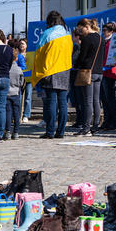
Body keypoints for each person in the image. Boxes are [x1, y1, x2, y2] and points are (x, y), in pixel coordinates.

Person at [35, 11, 72, 139]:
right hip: (65, 70)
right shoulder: (68, 35)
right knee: (63, 103)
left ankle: (50, 131)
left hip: (50, 71)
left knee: (51, 103)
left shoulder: (47, 34)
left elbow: (39, 54)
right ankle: (61, 132)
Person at [73, 18, 104, 136]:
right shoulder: (101, 38)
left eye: (81, 29)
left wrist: (75, 65)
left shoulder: (87, 39)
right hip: (99, 72)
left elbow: (82, 56)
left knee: (87, 101)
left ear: (86, 26)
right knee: (96, 101)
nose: (80, 32)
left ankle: (86, 128)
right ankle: (95, 126)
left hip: (88, 71)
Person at [99, 22, 116, 131]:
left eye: (106, 30)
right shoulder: (104, 41)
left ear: (111, 31)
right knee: (104, 99)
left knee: (111, 98)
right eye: (103, 30)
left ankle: (115, 121)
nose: (104, 32)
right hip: (103, 71)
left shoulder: (114, 40)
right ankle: (107, 121)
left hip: (111, 72)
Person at [4, 45, 24, 140]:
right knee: (16, 113)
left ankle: (7, 131)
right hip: (16, 93)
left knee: (8, 113)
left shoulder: (6, 69)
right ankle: (16, 132)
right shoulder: (19, 69)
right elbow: (21, 82)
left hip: (7, 93)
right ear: (16, 59)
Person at [17, 38, 32, 122]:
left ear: (26, 45)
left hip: (28, 77)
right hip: (19, 77)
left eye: (23, 43)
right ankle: (18, 114)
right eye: (20, 44)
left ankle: (26, 115)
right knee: (19, 96)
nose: (21, 45)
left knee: (28, 97)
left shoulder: (30, 55)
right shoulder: (17, 54)